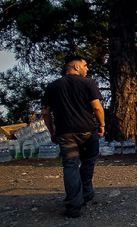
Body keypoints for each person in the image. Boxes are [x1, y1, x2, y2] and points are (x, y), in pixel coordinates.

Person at [42, 55, 105, 218]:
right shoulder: (88, 83)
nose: (87, 68)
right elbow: (97, 107)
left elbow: (45, 112)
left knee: (70, 166)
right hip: (87, 130)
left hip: (65, 132)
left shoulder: (52, 86)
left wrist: (52, 131)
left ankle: (73, 206)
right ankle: (86, 193)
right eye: (85, 65)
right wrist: (102, 125)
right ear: (76, 67)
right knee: (88, 160)